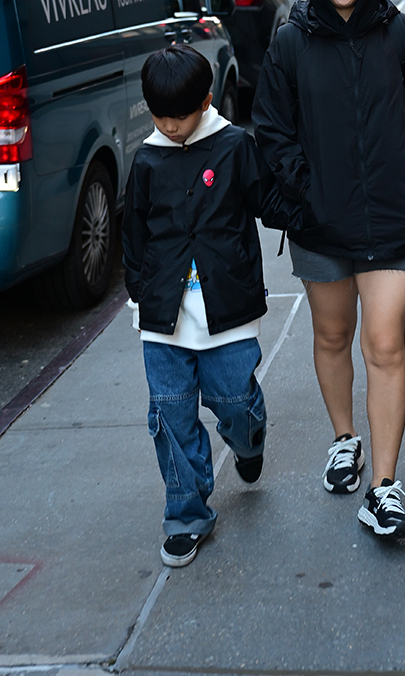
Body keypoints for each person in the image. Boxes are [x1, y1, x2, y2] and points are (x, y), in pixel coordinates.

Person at [253, 0, 405, 541]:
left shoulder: (402, 35)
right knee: (333, 335)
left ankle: (384, 486)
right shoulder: (290, 42)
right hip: (321, 219)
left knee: (384, 343)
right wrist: (306, 192)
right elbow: (272, 129)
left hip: (394, 219)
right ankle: (344, 439)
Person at [123, 45, 291, 568]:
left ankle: (249, 438)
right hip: (163, 320)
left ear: (206, 101)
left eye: (180, 115)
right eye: (160, 116)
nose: (170, 126)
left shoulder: (235, 145)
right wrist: (140, 292)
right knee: (171, 417)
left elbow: (268, 202)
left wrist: (315, 208)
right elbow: (134, 234)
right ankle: (186, 515)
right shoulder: (147, 159)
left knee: (234, 401)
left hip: (229, 310)